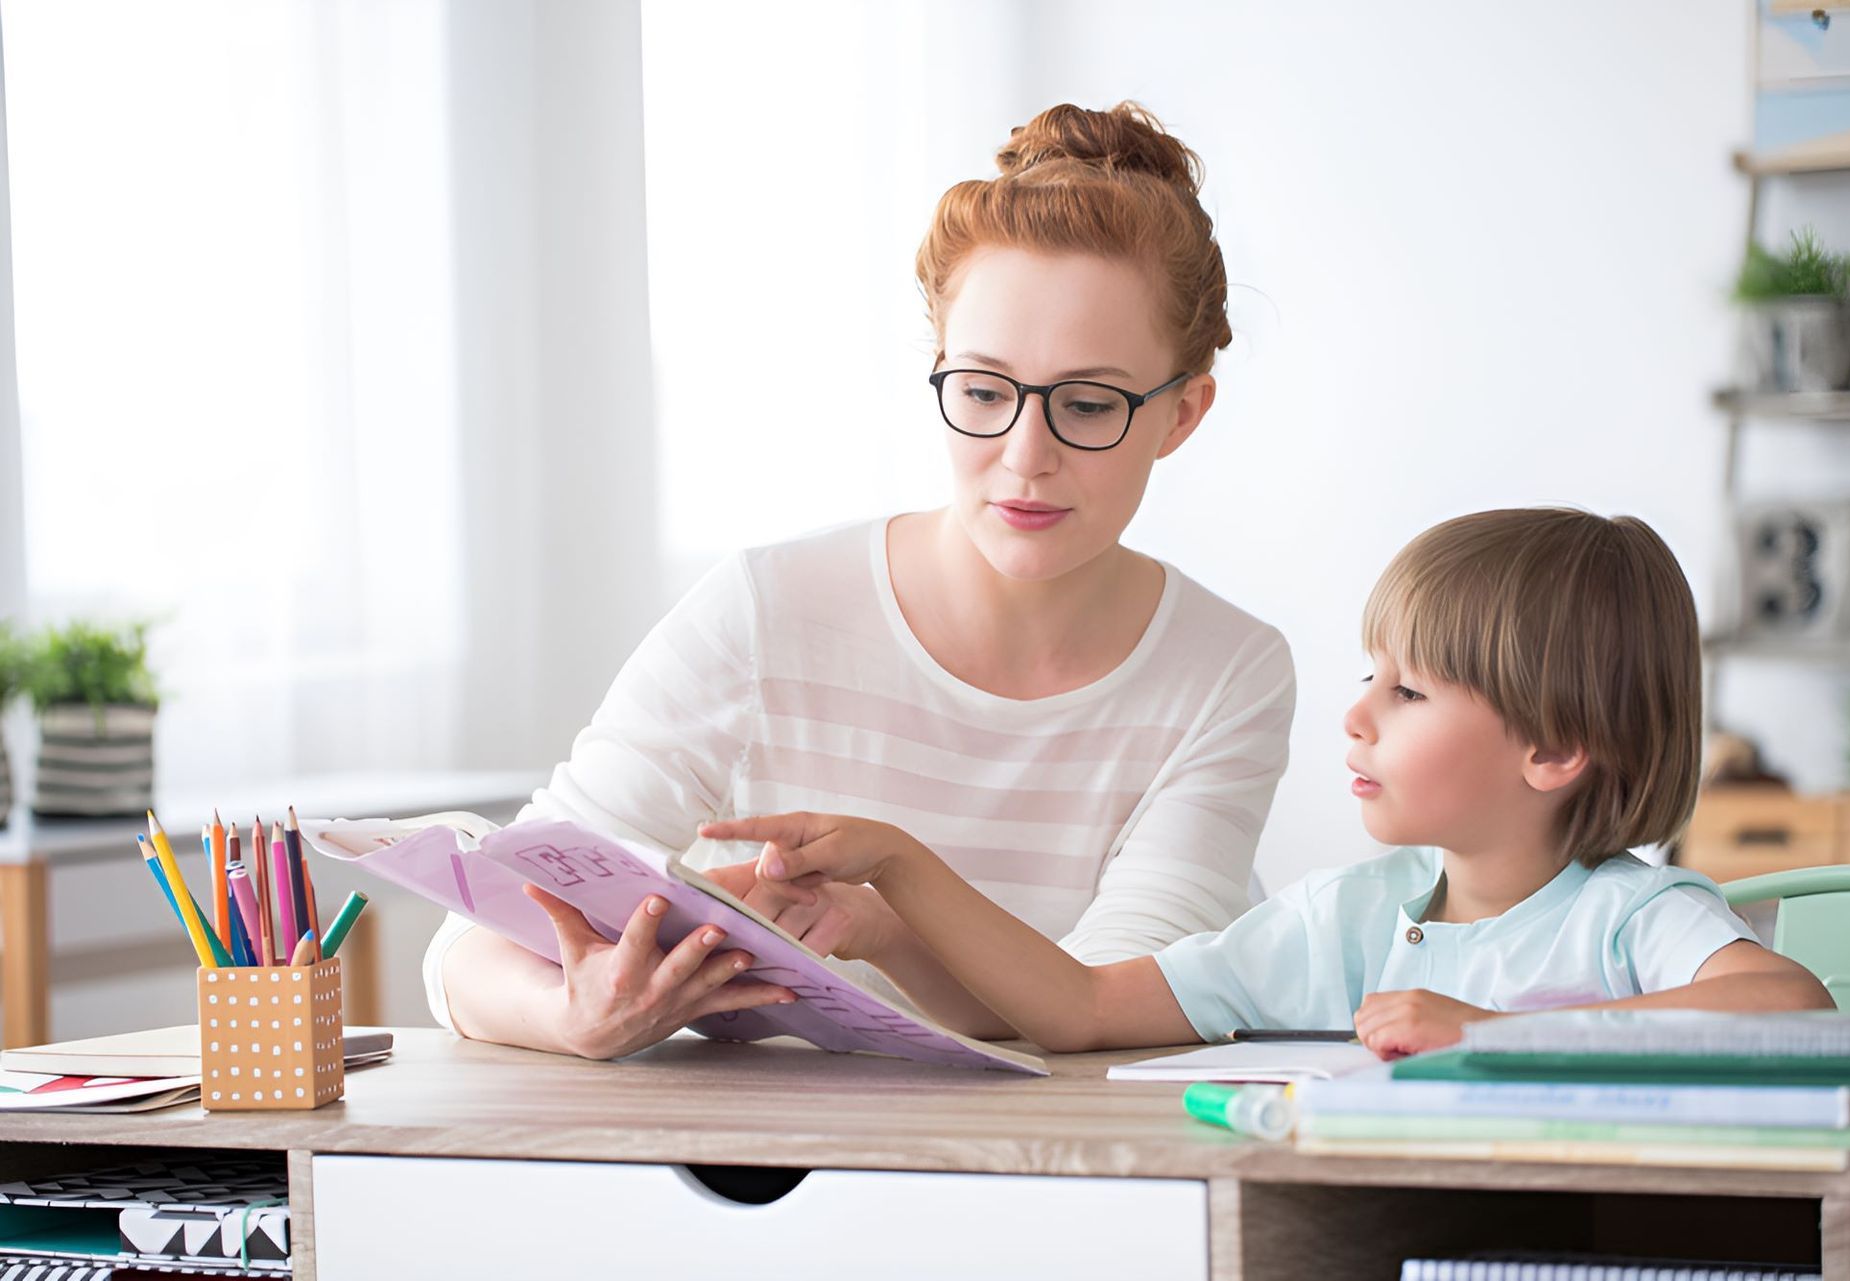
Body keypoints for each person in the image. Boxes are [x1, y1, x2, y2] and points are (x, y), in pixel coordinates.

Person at [425, 101, 1297, 1059]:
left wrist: (891, 917)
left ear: (1182, 414)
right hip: (738, 1164)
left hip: (1049, 1180)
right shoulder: (769, 609)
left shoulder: (1226, 670)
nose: (1025, 454)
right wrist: (574, 1015)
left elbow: (1115, 1005)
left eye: (1088, 404)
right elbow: (474, 940)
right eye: (982, 391)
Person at [704, 508, 1836, 1060]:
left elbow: (1790, 1007)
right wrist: (895, 904)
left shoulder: (1633, 917)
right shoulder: (1344, 921)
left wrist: (1485, 1033)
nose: (1355, 714)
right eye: (1367, 677)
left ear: (1551, 750)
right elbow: (1079, 1010)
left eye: (1409, 694)